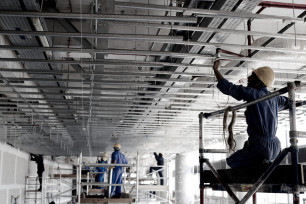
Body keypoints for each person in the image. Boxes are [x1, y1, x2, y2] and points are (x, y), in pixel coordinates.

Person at [212, 60, 289, 168]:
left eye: (252, 76)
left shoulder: (253, 93)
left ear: (259, 81)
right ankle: (262, 164)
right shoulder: (275, 98)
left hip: (259, 145)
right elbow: (289, 102)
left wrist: (216, 70)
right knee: (250, 156)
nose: (248, 78)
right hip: (275, 147)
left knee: (231, 161)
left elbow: (228, 87)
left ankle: (260, 163)